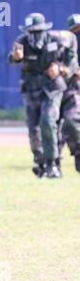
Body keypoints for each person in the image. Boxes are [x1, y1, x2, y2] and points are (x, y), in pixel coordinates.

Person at [9, 13, 69, 178]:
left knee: (48, 121)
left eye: (38, 31)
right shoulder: (22, 41)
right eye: (31, 31)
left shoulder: (56, 40)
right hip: (31, 89)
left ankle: (52, 164)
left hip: (52, 87)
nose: (35, 35)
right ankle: (41, 162)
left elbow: (70, 61)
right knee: (33, 128)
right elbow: (11, 59)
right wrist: (15, 57)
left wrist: (61, 69)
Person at [61, 14, 80, 172]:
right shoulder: (66, 45)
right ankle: (53, 161)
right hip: (72, 86)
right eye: (75, 30)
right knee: (68, 123)